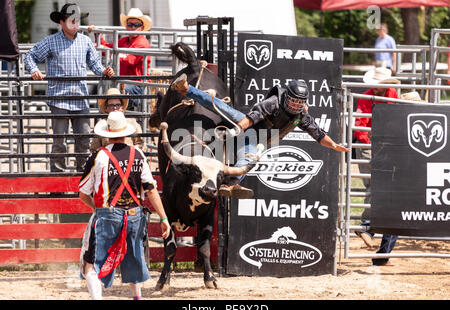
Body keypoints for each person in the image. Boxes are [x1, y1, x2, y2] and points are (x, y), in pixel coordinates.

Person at [171, 74, 350, 198]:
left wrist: (334, 145)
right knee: (221, 106)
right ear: (287, 97)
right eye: (294, 101)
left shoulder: (302, 116)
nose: (296, 105)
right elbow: (253, 117)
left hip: (260, 137)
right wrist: (237, 129)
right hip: (251, 124)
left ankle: (229, 185)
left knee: (250, 157)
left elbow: (317, 133)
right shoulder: (274, 102)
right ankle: (186, 88)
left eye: (300, 102)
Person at [79, 111, 170, 300]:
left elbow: (83, 193)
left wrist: (97, 210)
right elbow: (151, 189)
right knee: (134, 259)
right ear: (125, 133)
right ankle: (137, 298)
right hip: (135, 214)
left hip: (108, 214)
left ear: (107, 133)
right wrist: (163, 218)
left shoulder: (98, 156)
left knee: (92, 263)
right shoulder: (138, 154)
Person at [24, 3, 115, 172]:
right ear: (62, 22)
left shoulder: (86, 41)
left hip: (81, 98)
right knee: (60, 141)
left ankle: (84, 177)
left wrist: (103, 70)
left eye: (77, 21)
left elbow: (94, 63)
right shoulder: (51, 42)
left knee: (84, 140)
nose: (75, 24)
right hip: (59, 98)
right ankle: (58, 179)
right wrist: (35, 70)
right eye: (71, 21)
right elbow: (30, 56)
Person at [353, 67, 399, 266]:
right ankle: (367, 226)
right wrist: (371, 140)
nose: (376, 88)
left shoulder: (392, 95)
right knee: (375, 184)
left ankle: (369, 228)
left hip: (388, 146)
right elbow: (360, 126)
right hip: (370, 145)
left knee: (387, 189)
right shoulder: (366, 97)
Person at [89, 8, 152, 111]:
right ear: (126, 26)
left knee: (113, 92)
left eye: (136, 25)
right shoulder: (124, 40)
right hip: (123, 82)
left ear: (142, 27)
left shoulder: (142, 43)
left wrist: (111, 51)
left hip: (138, 85)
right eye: (130, 24)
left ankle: (110, 117)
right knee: (101, 90)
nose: (133, 27)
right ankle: (105, 120)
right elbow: (107, 48)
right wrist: (97, 33)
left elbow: (129, 61)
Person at [90, 87, 146, 152]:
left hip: (128, 159)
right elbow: (94, 149)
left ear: (122, 107)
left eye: (118, 105)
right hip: (108, 159)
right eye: (111, 105)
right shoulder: (101, 126)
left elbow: (141, 144)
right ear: (106, 108)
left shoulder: (132, 123)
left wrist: (129, 154)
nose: (115, 108)